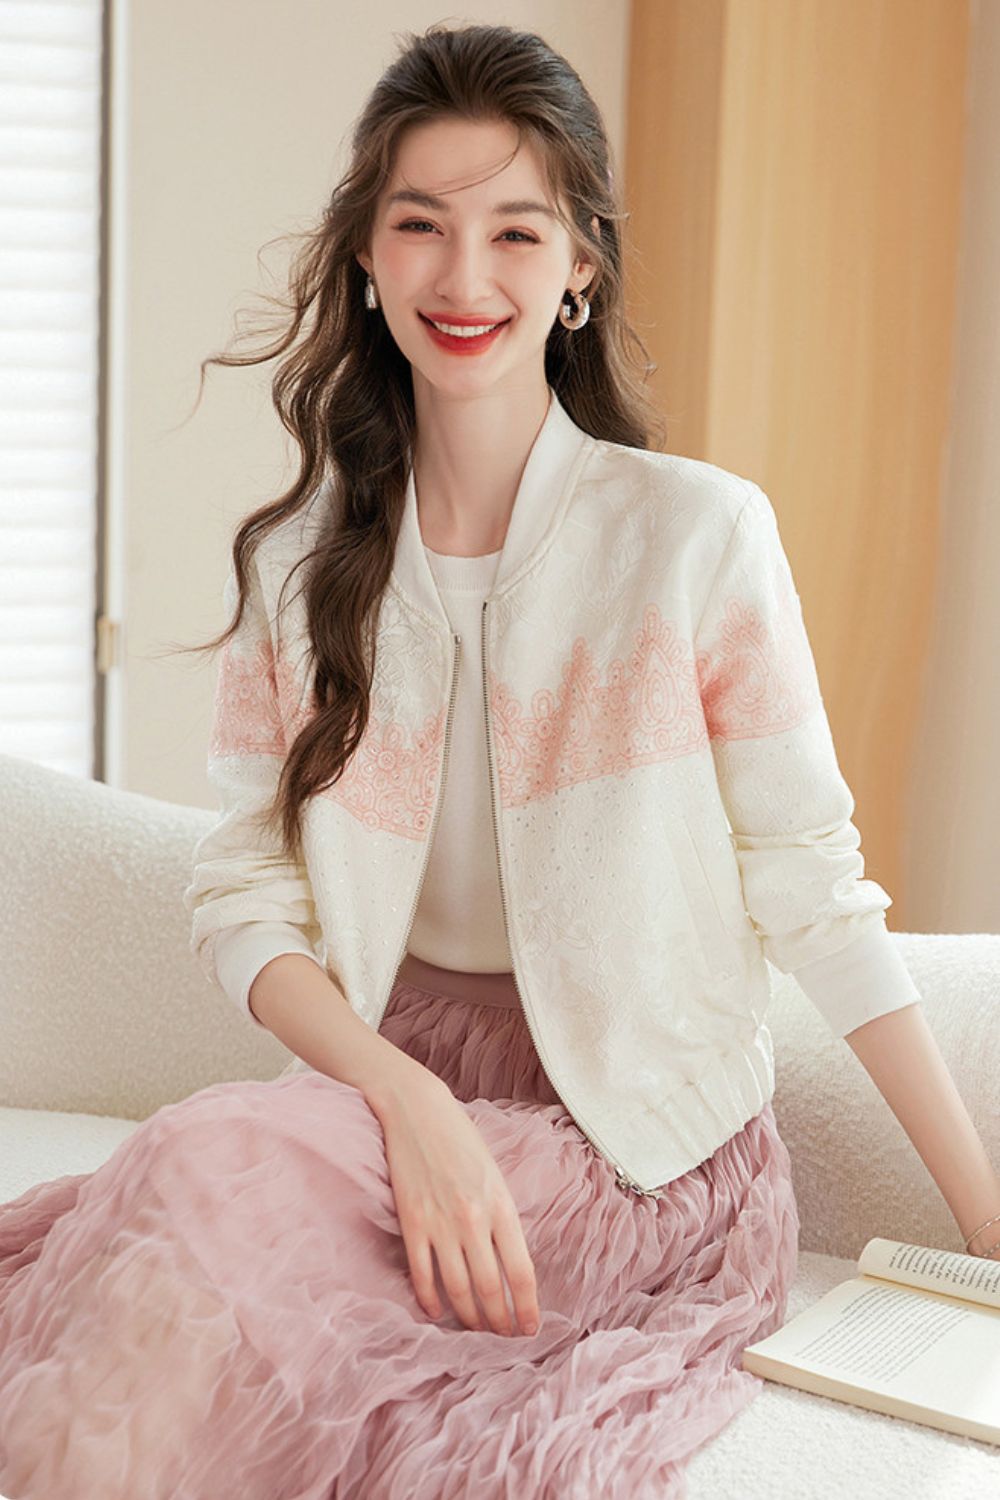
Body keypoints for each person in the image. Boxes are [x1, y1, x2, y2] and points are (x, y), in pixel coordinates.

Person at [2, 21, 997, 1500]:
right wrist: (404, 1102)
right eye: (421, 225)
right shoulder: (298, 566)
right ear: (365, 256)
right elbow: (243, 900)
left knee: (198, 1181)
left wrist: (984, 1218)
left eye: (516, 230)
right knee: (162, 1224)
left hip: (632, 1152)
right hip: (380, 1098)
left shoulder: (693, 537)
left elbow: (814, 888)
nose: (465, 280)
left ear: (581, 265)